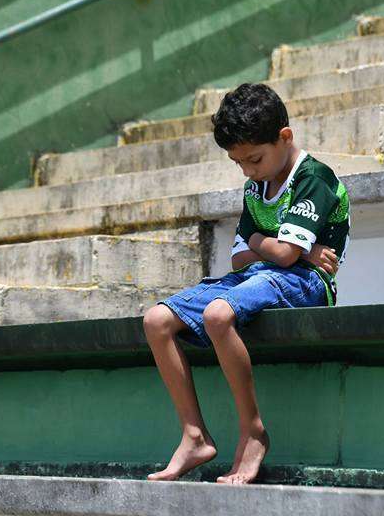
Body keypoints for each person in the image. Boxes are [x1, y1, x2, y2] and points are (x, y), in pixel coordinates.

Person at [142, 82, 351, 485]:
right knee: (156, 320)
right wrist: (282, 246)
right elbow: (241, 256)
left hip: (307, 283)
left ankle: (253, 431)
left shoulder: (314, 177)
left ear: (284, 137)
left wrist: (281, 248)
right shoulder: (256, 184)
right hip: (258, 276)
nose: (247, 171)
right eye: (239, 163)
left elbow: (287, 259)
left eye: (253, 159)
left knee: (219, 315)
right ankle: (194, 435)